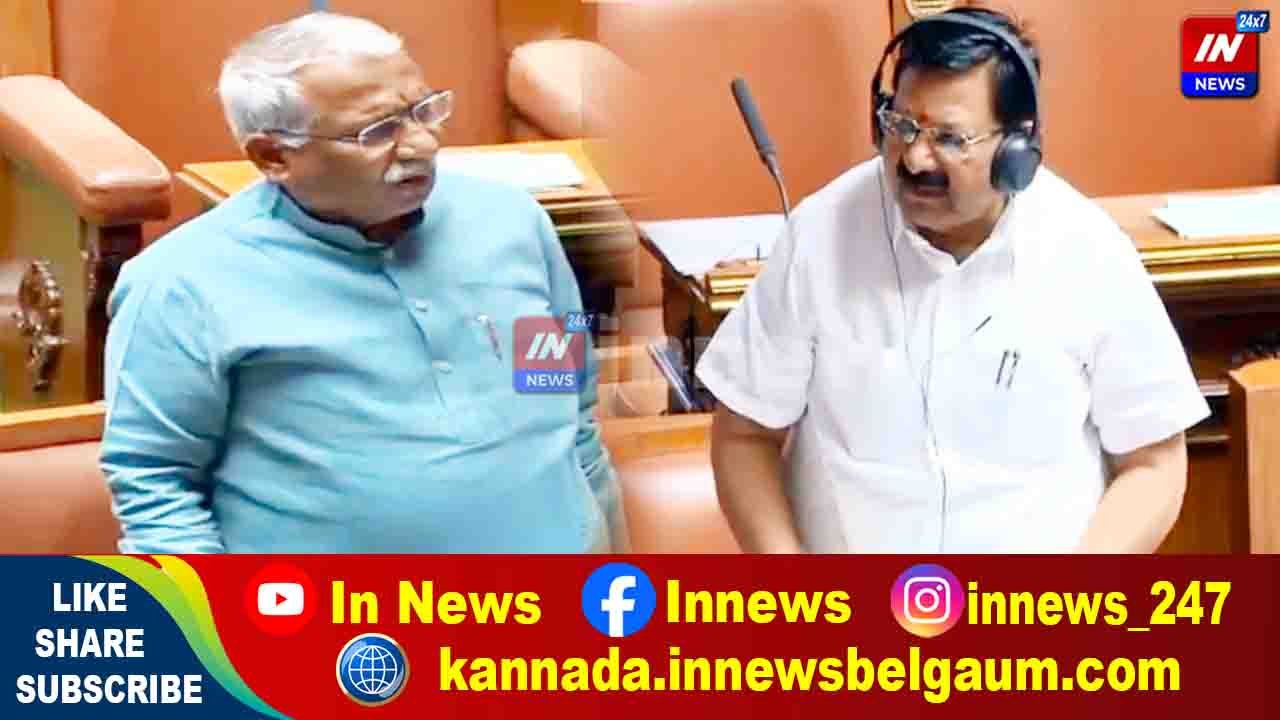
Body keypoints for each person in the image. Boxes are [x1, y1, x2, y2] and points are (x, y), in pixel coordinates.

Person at [100, 12, 626, 553]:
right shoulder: (180, 283)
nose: (421, 145)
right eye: (378, 131)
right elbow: (156, 487)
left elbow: (569, 405)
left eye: (424, 110)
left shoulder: (512, 220)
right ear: (273, 156)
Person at [695, 7, 1209, 554]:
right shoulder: (821, 236)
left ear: (1017, 149)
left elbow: (1154, 464)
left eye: (950, 138)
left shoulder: (1088, 250)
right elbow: (743, 436)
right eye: (901, 126)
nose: (916, 158)